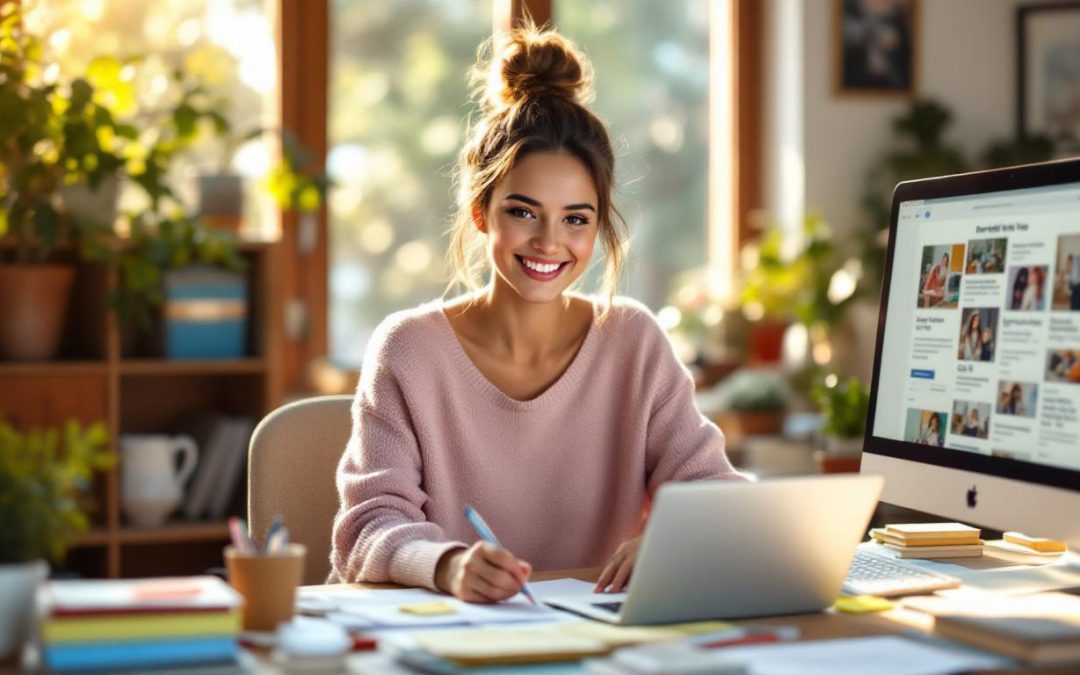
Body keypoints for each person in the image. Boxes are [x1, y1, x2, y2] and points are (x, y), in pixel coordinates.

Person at [329, 25, 747, 603]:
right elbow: (367, 527)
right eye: (524, 212)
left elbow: (714, 491)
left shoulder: (633, 341)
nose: (550, 242)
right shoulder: (410, 349)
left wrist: (677, 539)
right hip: (446, 637)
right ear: (481, 212)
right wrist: (447, 565)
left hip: (595, 642)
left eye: (576, 219)